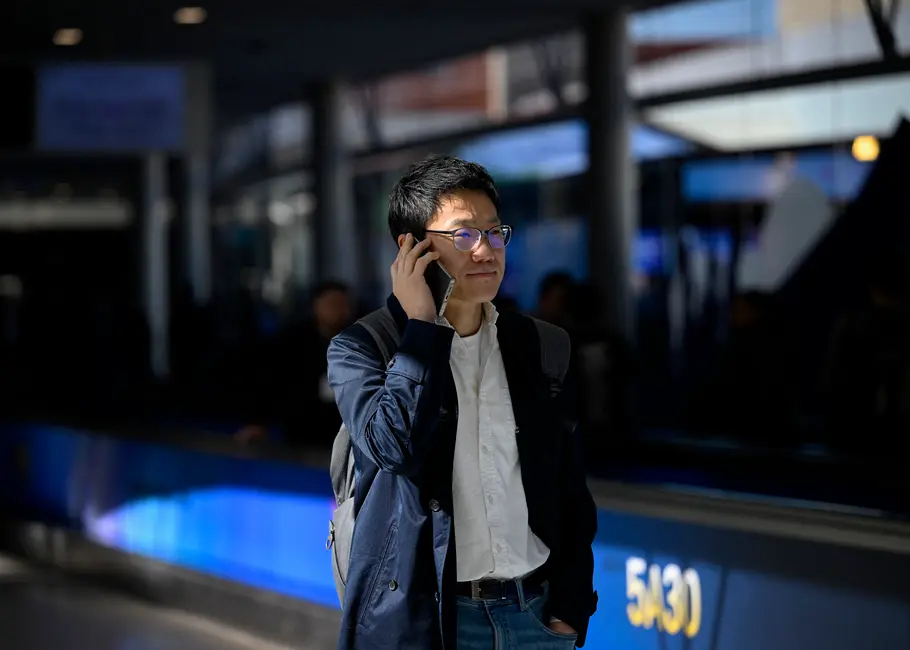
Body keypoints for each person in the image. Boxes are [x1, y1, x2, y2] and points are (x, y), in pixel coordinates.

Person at [327, 155, 597, 650]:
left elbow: (570, 492)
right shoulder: (363, 349)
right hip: (427, 624)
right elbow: (395, 447)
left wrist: (569, 611)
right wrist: (422, 331)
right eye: (465, 235)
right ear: (412, 247)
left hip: (534, 618)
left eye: (495, 233)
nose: (487, 250)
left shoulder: (541, 346)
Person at [237, 280, 353, 448]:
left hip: (345, 430)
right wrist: (258, 423)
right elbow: (270, 381)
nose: (339, 311)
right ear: (316, 306)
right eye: (332, 304)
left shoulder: (359, 342)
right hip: (302, 427)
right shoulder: (293, 341)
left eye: (343, 305)